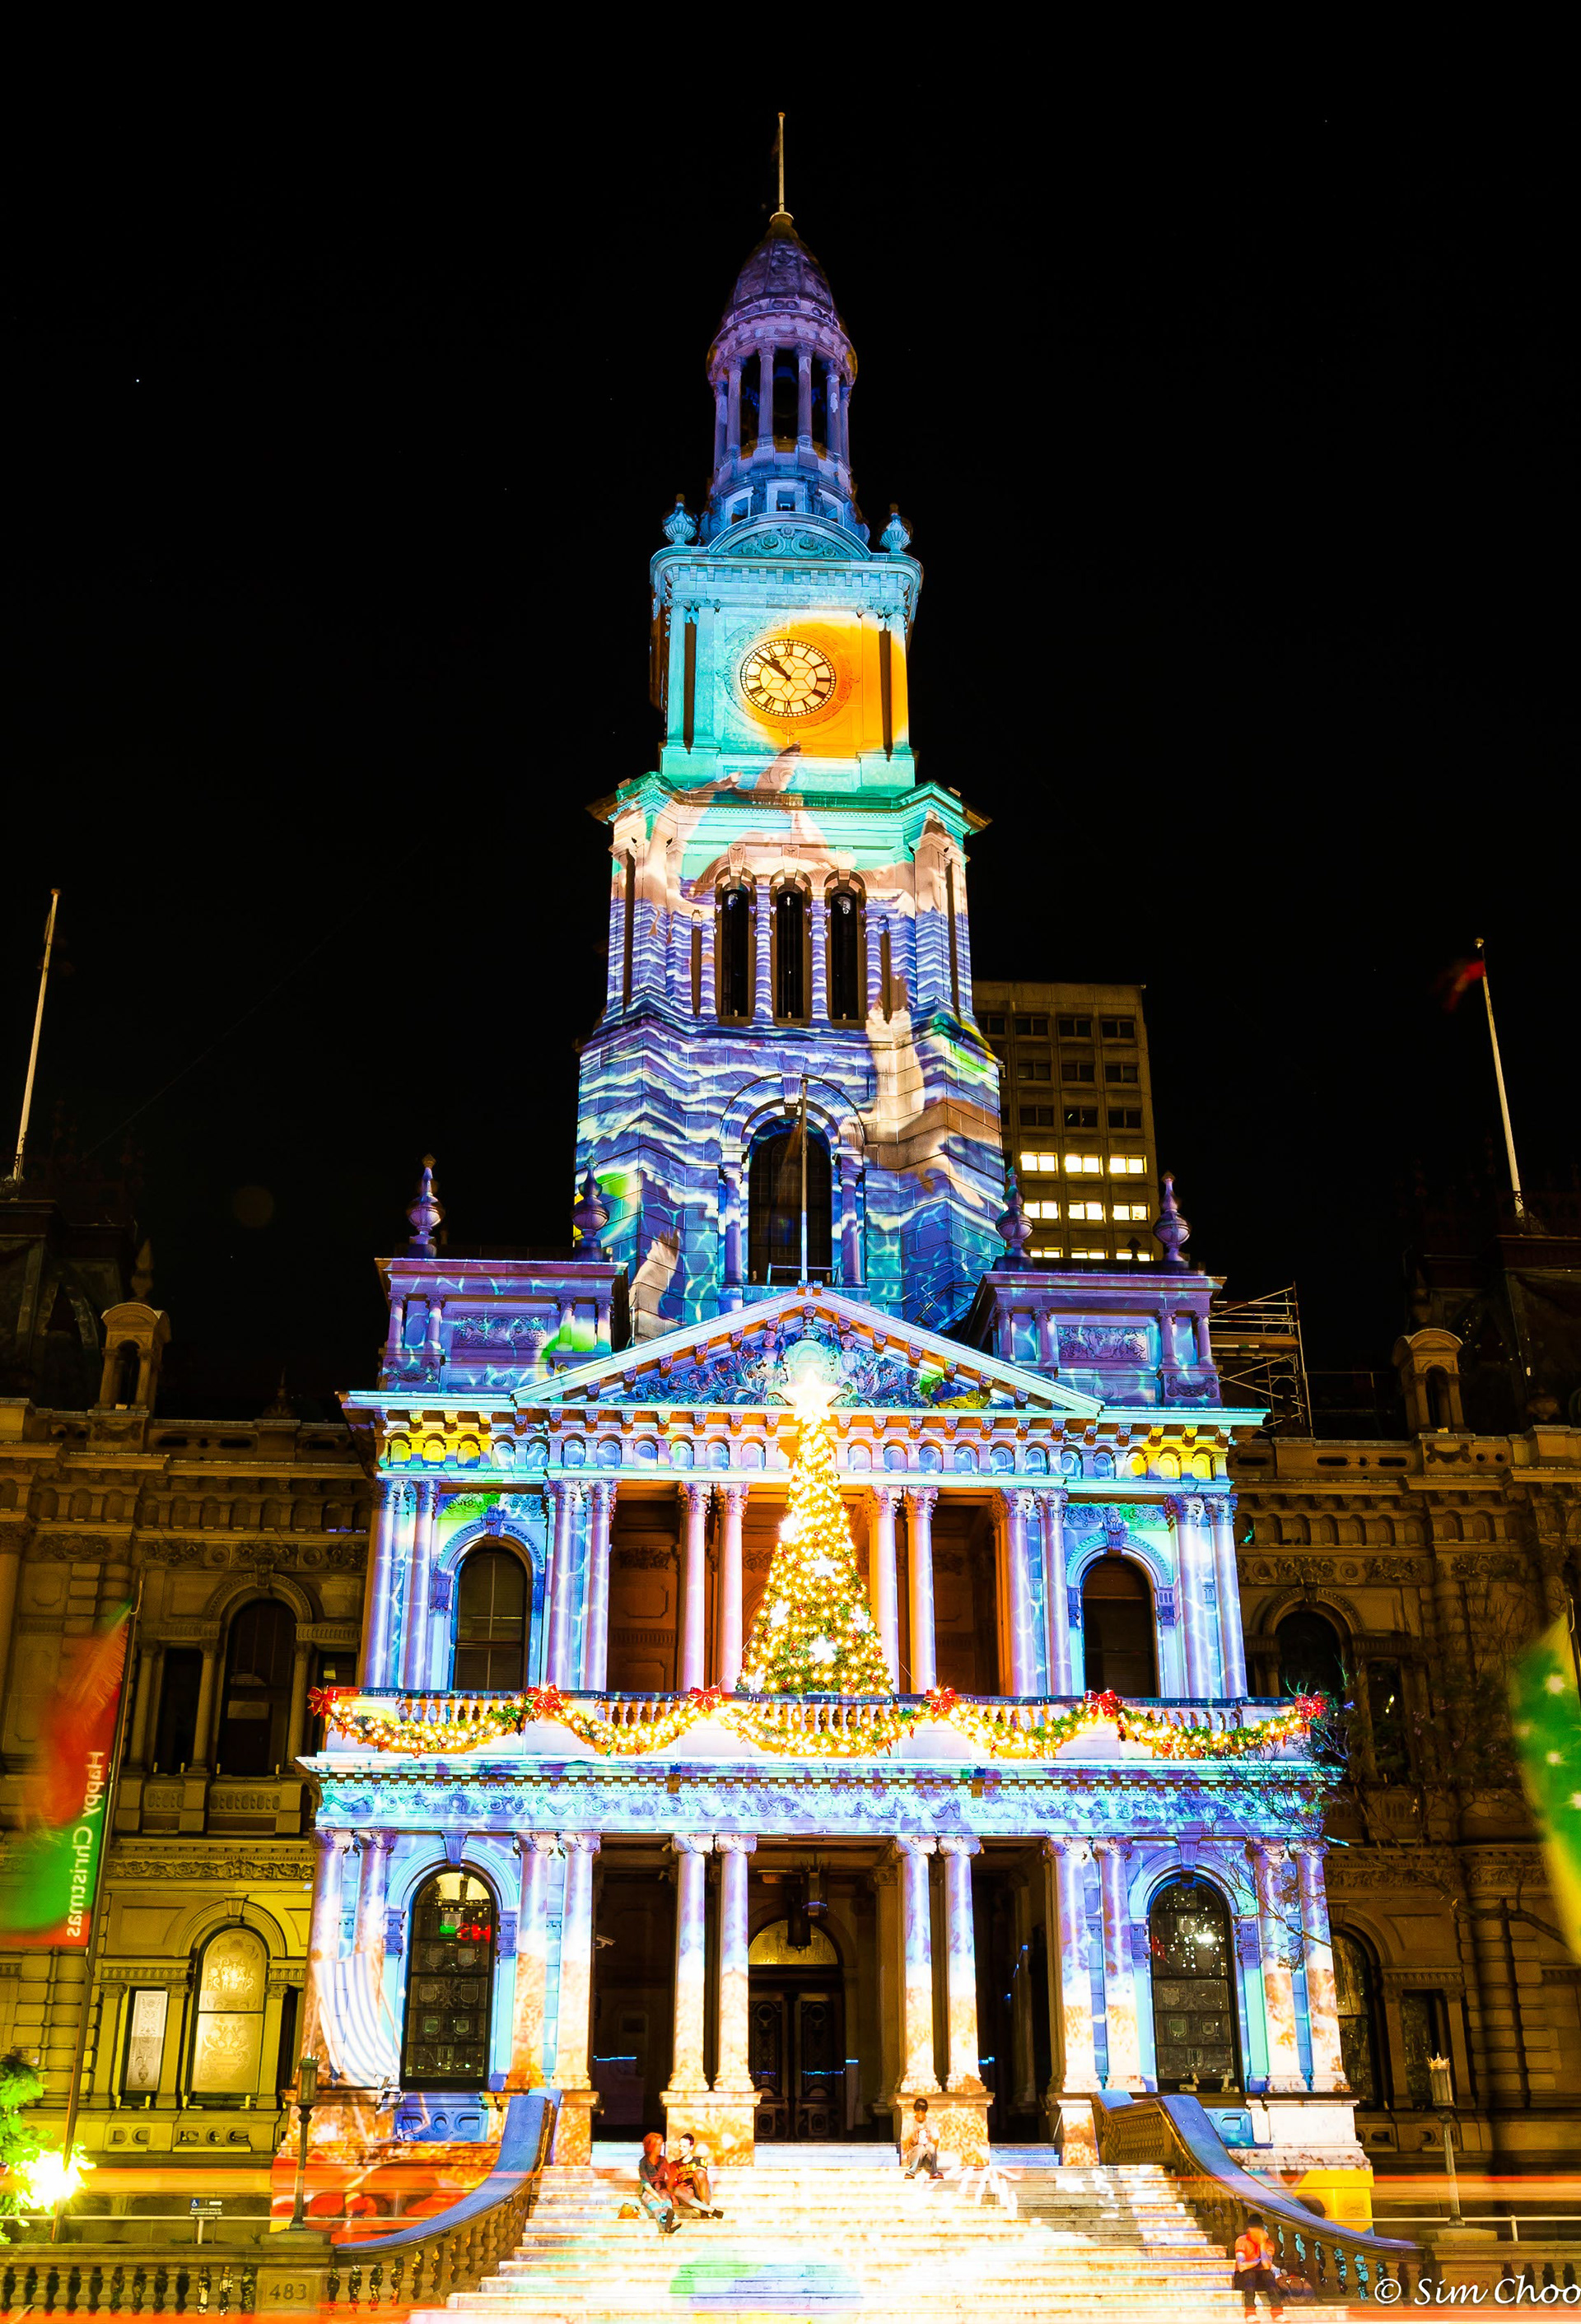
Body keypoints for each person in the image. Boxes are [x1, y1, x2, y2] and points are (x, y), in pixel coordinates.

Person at [1233, 2210, 1283, 2318]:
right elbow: (1242, 2267)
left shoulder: (1268, 2243)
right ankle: (1250, 2312)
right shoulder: (1241, 2241)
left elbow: (1266, 2266)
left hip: (1261, 2280)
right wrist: (1257, 2261)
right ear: (1249, 2230)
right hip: (1244, 2279)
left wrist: (1262, 2244)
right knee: (1249, 2274)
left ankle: (1278, 2312)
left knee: (1268, 2274)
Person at [669, 2131, 722, 2219]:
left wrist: (691, 2184)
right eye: (680, 2146)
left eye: (684, 2147)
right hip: (686, 2195)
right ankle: (708, 2210)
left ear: (691, 2147)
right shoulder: (674, 2164)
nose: (681, 2149)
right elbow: (670, 2184)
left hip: (700, 2192)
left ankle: (704, 2210)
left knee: (699, 2173)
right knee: (677, 2190)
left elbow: (702, 2178)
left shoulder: (699, 2161)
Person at [637, 2131, 679, 2235]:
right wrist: (658, 2198)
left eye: (661, 2145)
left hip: (662, 2189)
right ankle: (666, 2221)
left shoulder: (663, 2160)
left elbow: (670, 2178)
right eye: (658, 2145)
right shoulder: (643, 2163)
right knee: (655, 2203)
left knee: (666, 2201)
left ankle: (668, 2220)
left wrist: (673, 2195)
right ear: (651, 2147)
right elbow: (646, 2184)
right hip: (650, 2191)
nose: (660, 2148)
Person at [902, 2097, 944, 2181]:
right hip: (914, 2155)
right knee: (920, 2148)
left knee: (931, 2147)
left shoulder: (931, 2122)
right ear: (915, 2111)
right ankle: (911, 2172)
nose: (920, 2114)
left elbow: (936, 2141)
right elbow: (904, 2144)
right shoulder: (909, 2123)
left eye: (922, 2111)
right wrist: (913, 2139)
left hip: (927, 2157)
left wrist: (928, 2141)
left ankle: (934, 2172)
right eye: (918, 2111)